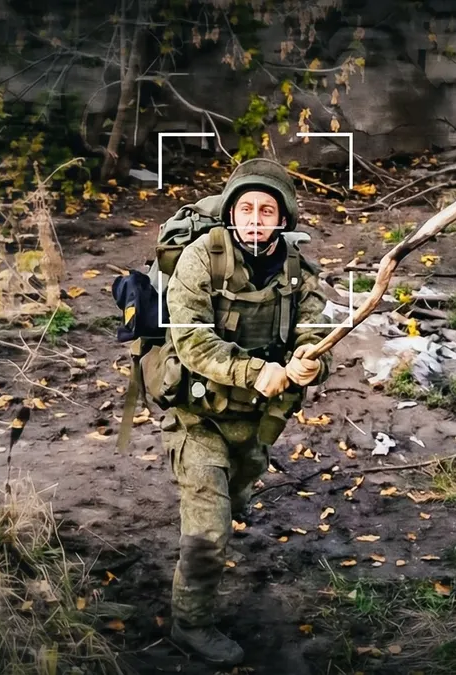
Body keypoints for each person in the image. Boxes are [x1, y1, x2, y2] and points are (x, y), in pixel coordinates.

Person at [160, 158, 333, 666]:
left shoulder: (298, 271)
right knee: (208, 533)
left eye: (267, 210)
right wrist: (255, 371)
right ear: (231, 213)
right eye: (246, 209)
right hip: (198, 416)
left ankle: (225, 500)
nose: (256, 220)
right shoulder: (200, 259)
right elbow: (191, 340)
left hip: (256, 422)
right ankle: (190, 624)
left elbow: (316, 332)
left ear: (284, 218)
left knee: (235, 497)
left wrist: (310, 361)